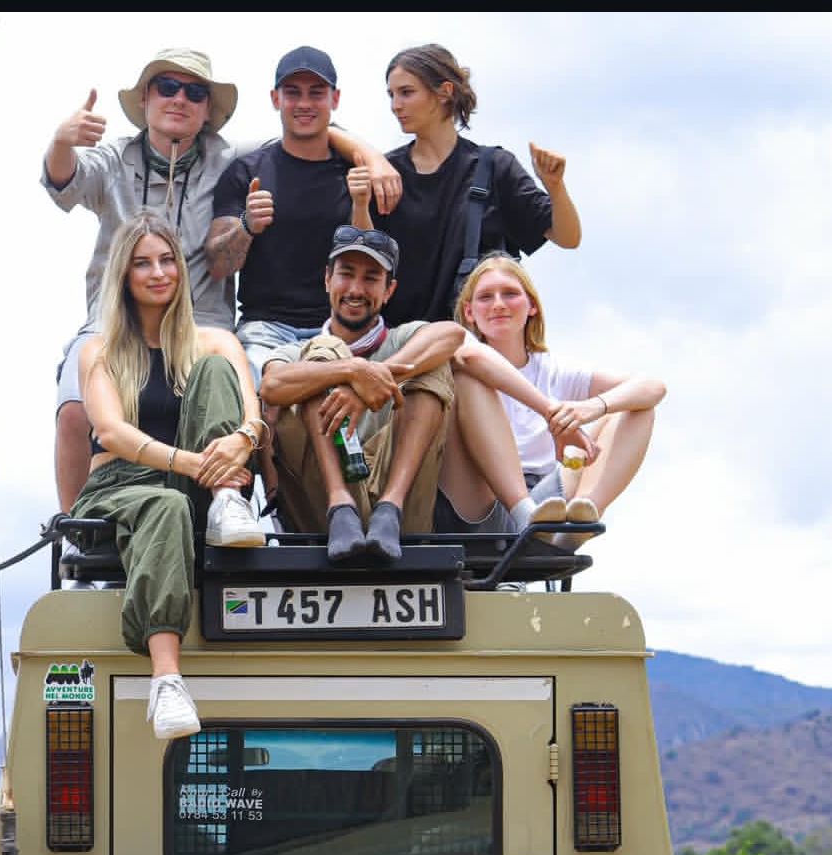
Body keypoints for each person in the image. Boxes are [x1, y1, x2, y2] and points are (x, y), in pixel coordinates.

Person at [45, 48, 399, 514]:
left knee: (244, 396)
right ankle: (76, 534)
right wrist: (62, 140)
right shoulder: (114, 157)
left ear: (208, 109)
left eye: (195, 92)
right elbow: (64, 180)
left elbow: (305, 128)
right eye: (167, 87)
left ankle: (235, 509)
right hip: (115, 322)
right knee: (75, 407)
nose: (180, 99)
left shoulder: (230, 156)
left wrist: (371, 157)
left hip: (203, 324)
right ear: (145, 99)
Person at [71, 210, 267, 740]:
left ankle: (227, 502)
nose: (158, 273)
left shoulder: (216, 342)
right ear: (123, 274)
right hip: (120, 488)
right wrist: (190, 462)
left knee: (213, 370)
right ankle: (166, 679)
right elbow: (111, 432)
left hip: (198, 486)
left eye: (166, 260)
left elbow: (253, 417)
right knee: (167, 505)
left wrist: (242, 441)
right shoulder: (100, 349)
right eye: (142, 263)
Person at [258, 225, 465, 563]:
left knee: (433, 364)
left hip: (401, 514)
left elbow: (452, 334)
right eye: (346, 274)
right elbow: (271, 386)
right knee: (321, 354)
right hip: (322, 516)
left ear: (389, 290)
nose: (356, 289)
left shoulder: (403, 339)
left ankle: (389, 508)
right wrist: (351, 371)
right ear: (327, 280)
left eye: (371, 278)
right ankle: (340, 502)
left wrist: (379, 375)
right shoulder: (294, 350)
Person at [206, 47, 401, 389]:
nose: (304, 103)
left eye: (316, 93)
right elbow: (218, 266)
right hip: (265, 332)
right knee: (257, 398)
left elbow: (371, 263)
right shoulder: (247, 171)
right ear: (275, 99)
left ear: (335, 99)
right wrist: (247, 225)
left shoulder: (360, 172)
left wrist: (360, 204)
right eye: (293, 92)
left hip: (341, 328)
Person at [445, 252, 666, 549]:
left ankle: (581, 517)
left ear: (532, 305)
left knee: (636, 408)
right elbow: (472, 357)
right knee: (468, 381)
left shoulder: (553, 369)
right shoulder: (460, 343)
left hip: (546, 500)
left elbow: (653, 386)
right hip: (485, 500)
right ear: (469, 312)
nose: (498, 304)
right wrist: (550, 411)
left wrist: (589, 408)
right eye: (486, 297)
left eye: (509, 294)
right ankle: (527, 519)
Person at [377, 43, 582, 328]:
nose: (395, 105)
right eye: (391, 95)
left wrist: (555, 186)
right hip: (399, 342)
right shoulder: (385, 172)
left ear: (444, 91)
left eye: (406, 92)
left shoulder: (494, 167)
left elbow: (568, 238)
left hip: (475, 343)